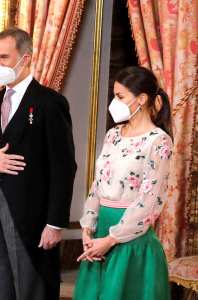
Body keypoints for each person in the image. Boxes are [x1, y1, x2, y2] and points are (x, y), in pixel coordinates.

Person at [0, 27, 77, 300]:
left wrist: (55, 223)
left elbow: (63, 167)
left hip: (32, 214)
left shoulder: (50, 103)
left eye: (4, 57)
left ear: (25, 59)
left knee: (30, 285)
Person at [73, 66, 173, 300]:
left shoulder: (158, 141)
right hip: (99, 238)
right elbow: (97, 184)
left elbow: (149, 201)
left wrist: (111, 239)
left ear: (142, 99)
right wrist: (88, 229)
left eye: (120, 97)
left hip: (130, 240)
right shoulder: (113, 134)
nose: (113, 102)